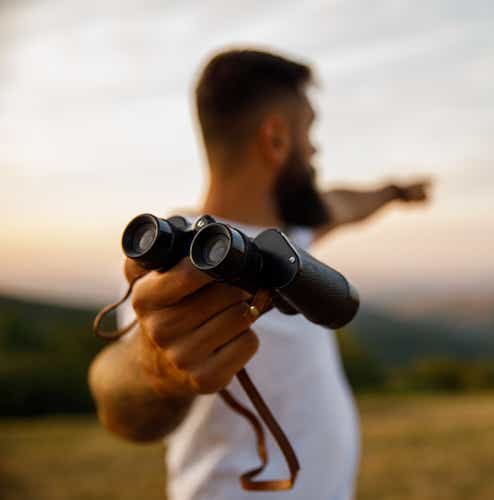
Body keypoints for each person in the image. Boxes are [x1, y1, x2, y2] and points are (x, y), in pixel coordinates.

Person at [88, 49, 431, 500]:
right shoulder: (175, 265)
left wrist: (396, 191)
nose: (314, 151)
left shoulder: (291, 236)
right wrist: (156, 370)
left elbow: (346, 203)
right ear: (276, 138)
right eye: (309, 131)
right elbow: (120, 401)